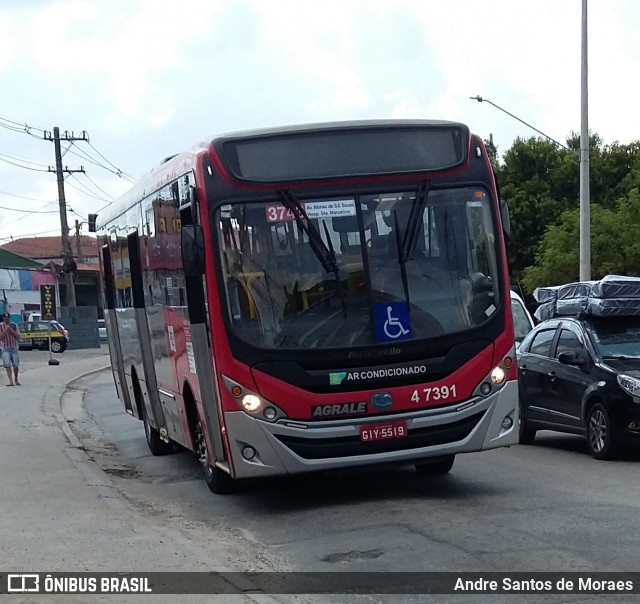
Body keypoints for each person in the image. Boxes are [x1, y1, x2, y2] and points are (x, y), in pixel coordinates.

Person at [0, 312, 20, 386]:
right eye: (5, 319)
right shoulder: (0, 326)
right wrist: (5, 331)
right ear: (3, 319)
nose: (6, 320)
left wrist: (11, 330)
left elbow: (18, 336)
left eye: (7, 319)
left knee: (15, 365)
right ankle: (10, 381)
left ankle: (16, 379)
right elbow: (0, 338)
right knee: (7, 365)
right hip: (5, 348)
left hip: (14, 347)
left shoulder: (14, 325)